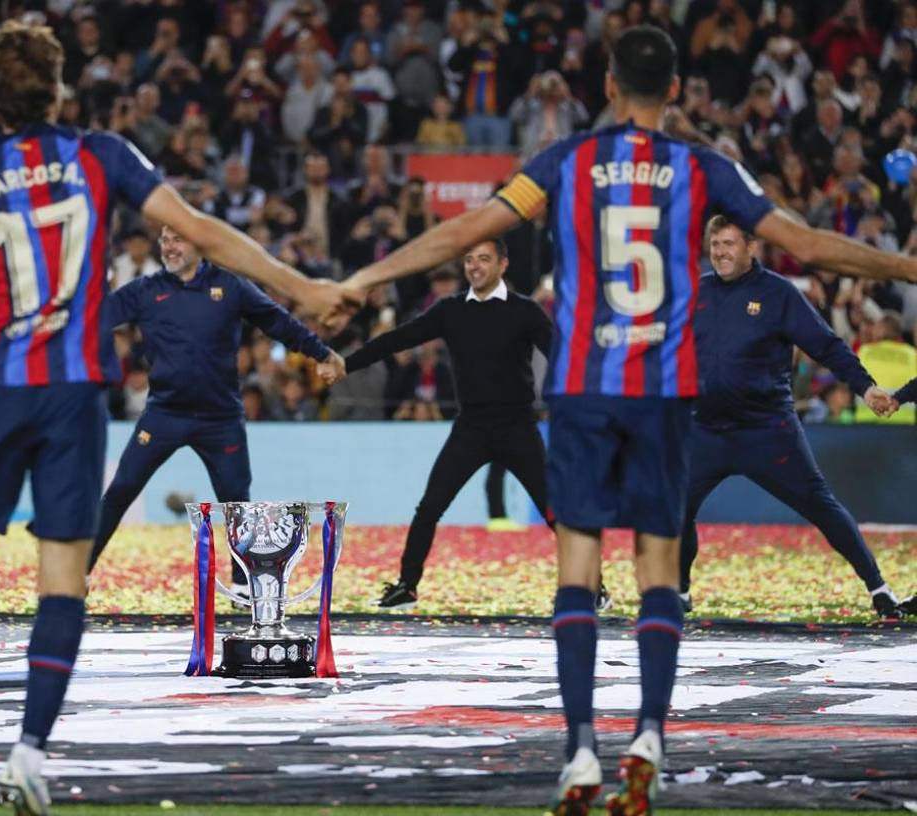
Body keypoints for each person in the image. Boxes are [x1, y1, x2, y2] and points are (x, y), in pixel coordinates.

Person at [0, 20, 358, 816]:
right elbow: (206, 228)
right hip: (74, 389)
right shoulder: (102, 154)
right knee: (60, 578)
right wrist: (304, 284)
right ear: (57, 87)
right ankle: (28, 757)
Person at [339, 24, 917, 816]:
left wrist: (366, 275)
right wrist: (910, 264)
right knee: (656, 567)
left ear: (607, 86)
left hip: (583, 389)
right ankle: (648, 734)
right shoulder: (703, 168)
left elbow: (464, 231)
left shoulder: (566, 161)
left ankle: (580, 749)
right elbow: (808, 246)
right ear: (675, 90)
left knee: (575, 567)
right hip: (662, 392)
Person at [325, 239, 611, 613]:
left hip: (518, 426)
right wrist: (348, 363)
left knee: (555, 509)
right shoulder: (451, 310)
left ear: (503, 264)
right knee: (429, 508)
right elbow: (400, 338)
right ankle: (406, 587)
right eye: (470, 260)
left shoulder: (526, 311)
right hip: (470, 427)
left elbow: (561, 358)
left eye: (484, 259)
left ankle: (594, 585)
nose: (475, 266)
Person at [682, 217, 914, 620]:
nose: (719, 251)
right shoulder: (696, 293)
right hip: (707, 429)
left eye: (728, 243)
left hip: (768, 431)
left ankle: (878, 588)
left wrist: (865, 386)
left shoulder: (777, 293)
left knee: (822, 506)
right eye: (714, 243)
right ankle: (679, 592)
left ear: (752, 247)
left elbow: (826, 345)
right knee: (673, 507)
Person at [89, 226, 339, 576]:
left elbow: (277, 322)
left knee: (237, 503)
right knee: (120, 491)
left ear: (201, 242)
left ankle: (243, 588)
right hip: (164, 413)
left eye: (178, 238)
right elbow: (90, 320)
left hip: (220, 419)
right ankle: (78, 574)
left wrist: (321, 352)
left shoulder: (231, 286)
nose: (169, 247)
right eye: (165, 240)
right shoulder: (145, 290)